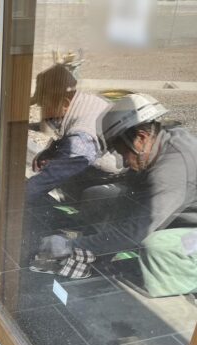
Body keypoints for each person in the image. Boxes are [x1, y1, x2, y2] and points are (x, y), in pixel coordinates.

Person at [38, 93, 197, 297]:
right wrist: (97, 246)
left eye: (124, 153)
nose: (124, 162)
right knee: (97, 195)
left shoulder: (172, 170)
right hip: (176, 215)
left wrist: (71, 246)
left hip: (192, 234)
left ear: (141, 138)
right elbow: (127, 203)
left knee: (157, 247)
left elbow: (132, 233)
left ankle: (173, 291)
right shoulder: (158, 143)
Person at [26, 64, 114, 205]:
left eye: (44, 106)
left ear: (65, 104)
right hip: (94, 164)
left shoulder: (80, 140)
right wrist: (51, 150)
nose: (43, 113)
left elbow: (41, 184)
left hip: (106, 182)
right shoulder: (82, 101)